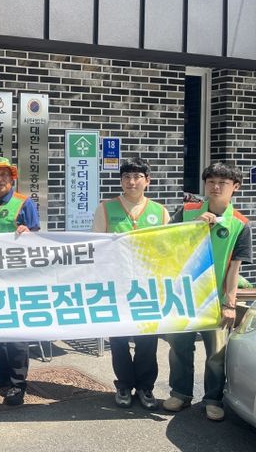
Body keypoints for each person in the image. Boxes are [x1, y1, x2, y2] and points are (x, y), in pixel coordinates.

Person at [163, 162, 252, 421]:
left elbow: (235, 268)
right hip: (182, 296)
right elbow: (165, 243)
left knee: (216, 354)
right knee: (179, 347)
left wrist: (230, 303)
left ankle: (213, 399)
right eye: (211, 181)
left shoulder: (240, 224)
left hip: (216, 299)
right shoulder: (188, 211)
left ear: (235, 187)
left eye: (223, 183)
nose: (215, 187)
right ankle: (180, 393)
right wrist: (193, 227)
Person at [91, 158, 170, 410]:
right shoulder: (106, 208)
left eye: (137, 177)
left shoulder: (160, 211)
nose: (131, 181)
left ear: (147, 181)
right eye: (126, 177)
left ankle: (146, 387)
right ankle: (124, 385)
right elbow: (96, 247)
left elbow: (168, 248)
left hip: (148, 287)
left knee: (147, 340)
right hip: (116, 286)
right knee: (119, 339)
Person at [0, 157, 40, 406]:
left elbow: (37, 238)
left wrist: (28, 233)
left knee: (15, 333)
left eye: (4, 174)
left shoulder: (24, 203)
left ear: (12, 178)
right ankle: (1, 375)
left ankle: (17, 383)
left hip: (16, 277)